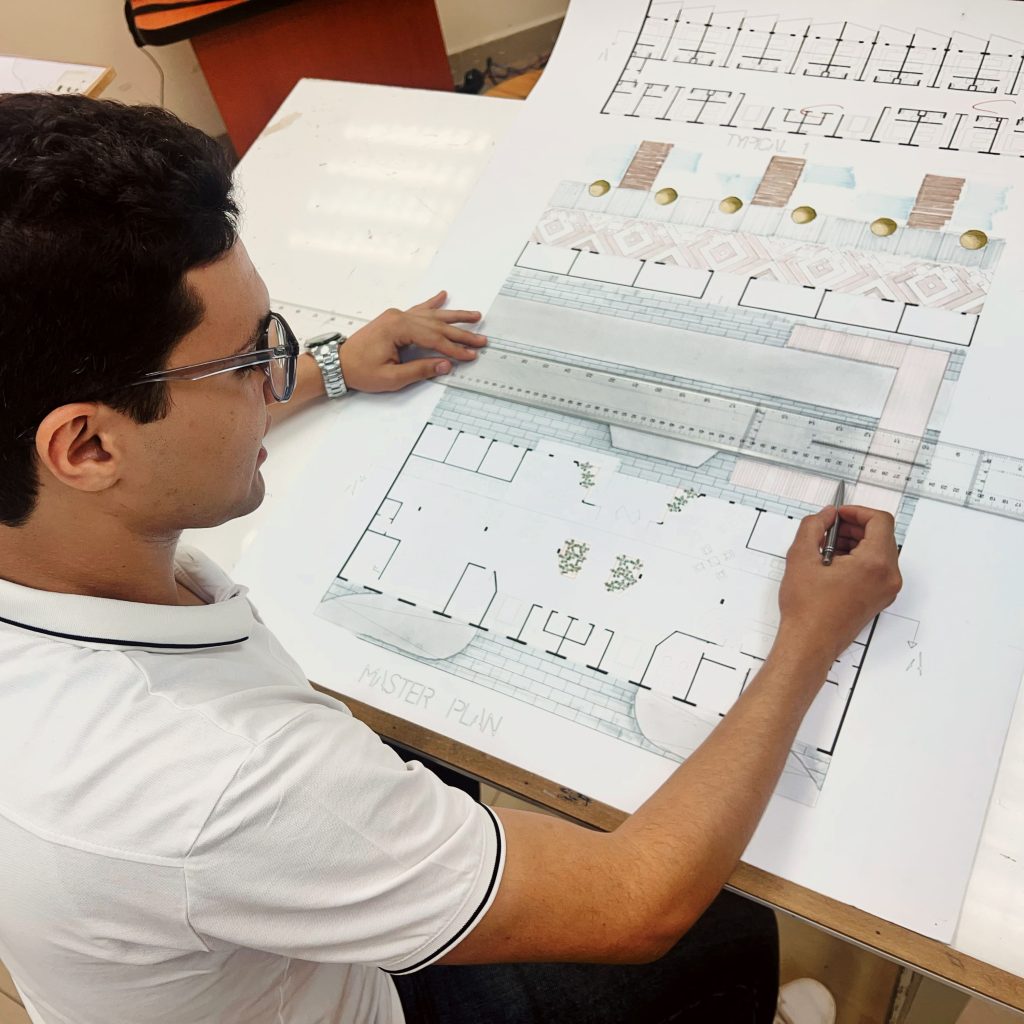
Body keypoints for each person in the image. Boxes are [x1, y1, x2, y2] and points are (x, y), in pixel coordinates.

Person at [0, 93, 901, 1024]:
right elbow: (636, 901)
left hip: (216, 941)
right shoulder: (212, 778)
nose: (275, 373)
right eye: (246, 360)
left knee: (438, 775)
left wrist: (332, 367)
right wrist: (810, 637)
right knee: (724, 924)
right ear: (88, 448)